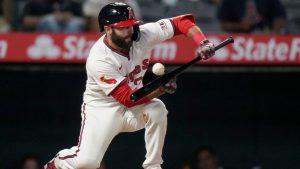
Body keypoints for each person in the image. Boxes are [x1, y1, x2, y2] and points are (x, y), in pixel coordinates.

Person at [44, 2, 215, 169]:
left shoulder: (143, 35)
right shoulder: (99, 58)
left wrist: (203, 42)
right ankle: (57, 163)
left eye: (131, 26)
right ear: (108, 29)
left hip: (132, 110)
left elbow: (182, 22)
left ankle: (153, 166)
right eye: (123, 27)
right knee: (88, 163)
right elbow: (128, 98)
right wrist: (161, 89)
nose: (129, 31)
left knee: (157, 110)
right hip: (102, 110)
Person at [218, 0, 286, 34]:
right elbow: (224, 23)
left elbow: (279, 17)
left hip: (265, 34)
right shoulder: (230, 1)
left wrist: (274, 34)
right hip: (239, 36)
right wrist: (240, 26)